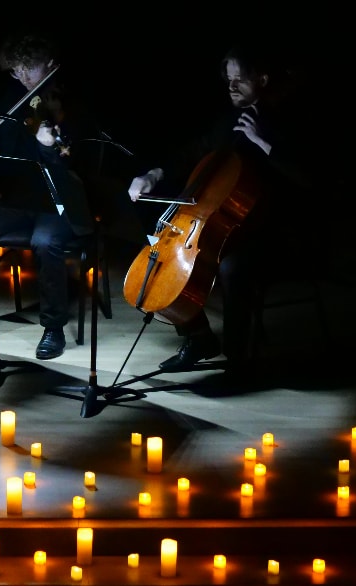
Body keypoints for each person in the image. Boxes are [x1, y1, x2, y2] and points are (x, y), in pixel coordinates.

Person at [126, 40, 324, 377]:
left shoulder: (289, 121)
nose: (231, 87)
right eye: (228, 80)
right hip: (229, 227)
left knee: (233, 267)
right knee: (162, 242)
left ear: (263, 79)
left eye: (240, 80)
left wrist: (265, 144)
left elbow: (313, 180)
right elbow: (192, 151)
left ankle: (238, 361)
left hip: (279, 231)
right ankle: (198, 336)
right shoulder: (229, 121)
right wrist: (152, 174)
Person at [0, 32, 98, 360]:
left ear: (51, 65)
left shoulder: (72, 107)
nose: (22, 78)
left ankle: (52, 327)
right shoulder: (13, 98)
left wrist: (49, 146)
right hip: (18, 201)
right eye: (16, 71)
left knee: (44, 241)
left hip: (59, 205)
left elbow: (77, 166)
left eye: (30, 69)